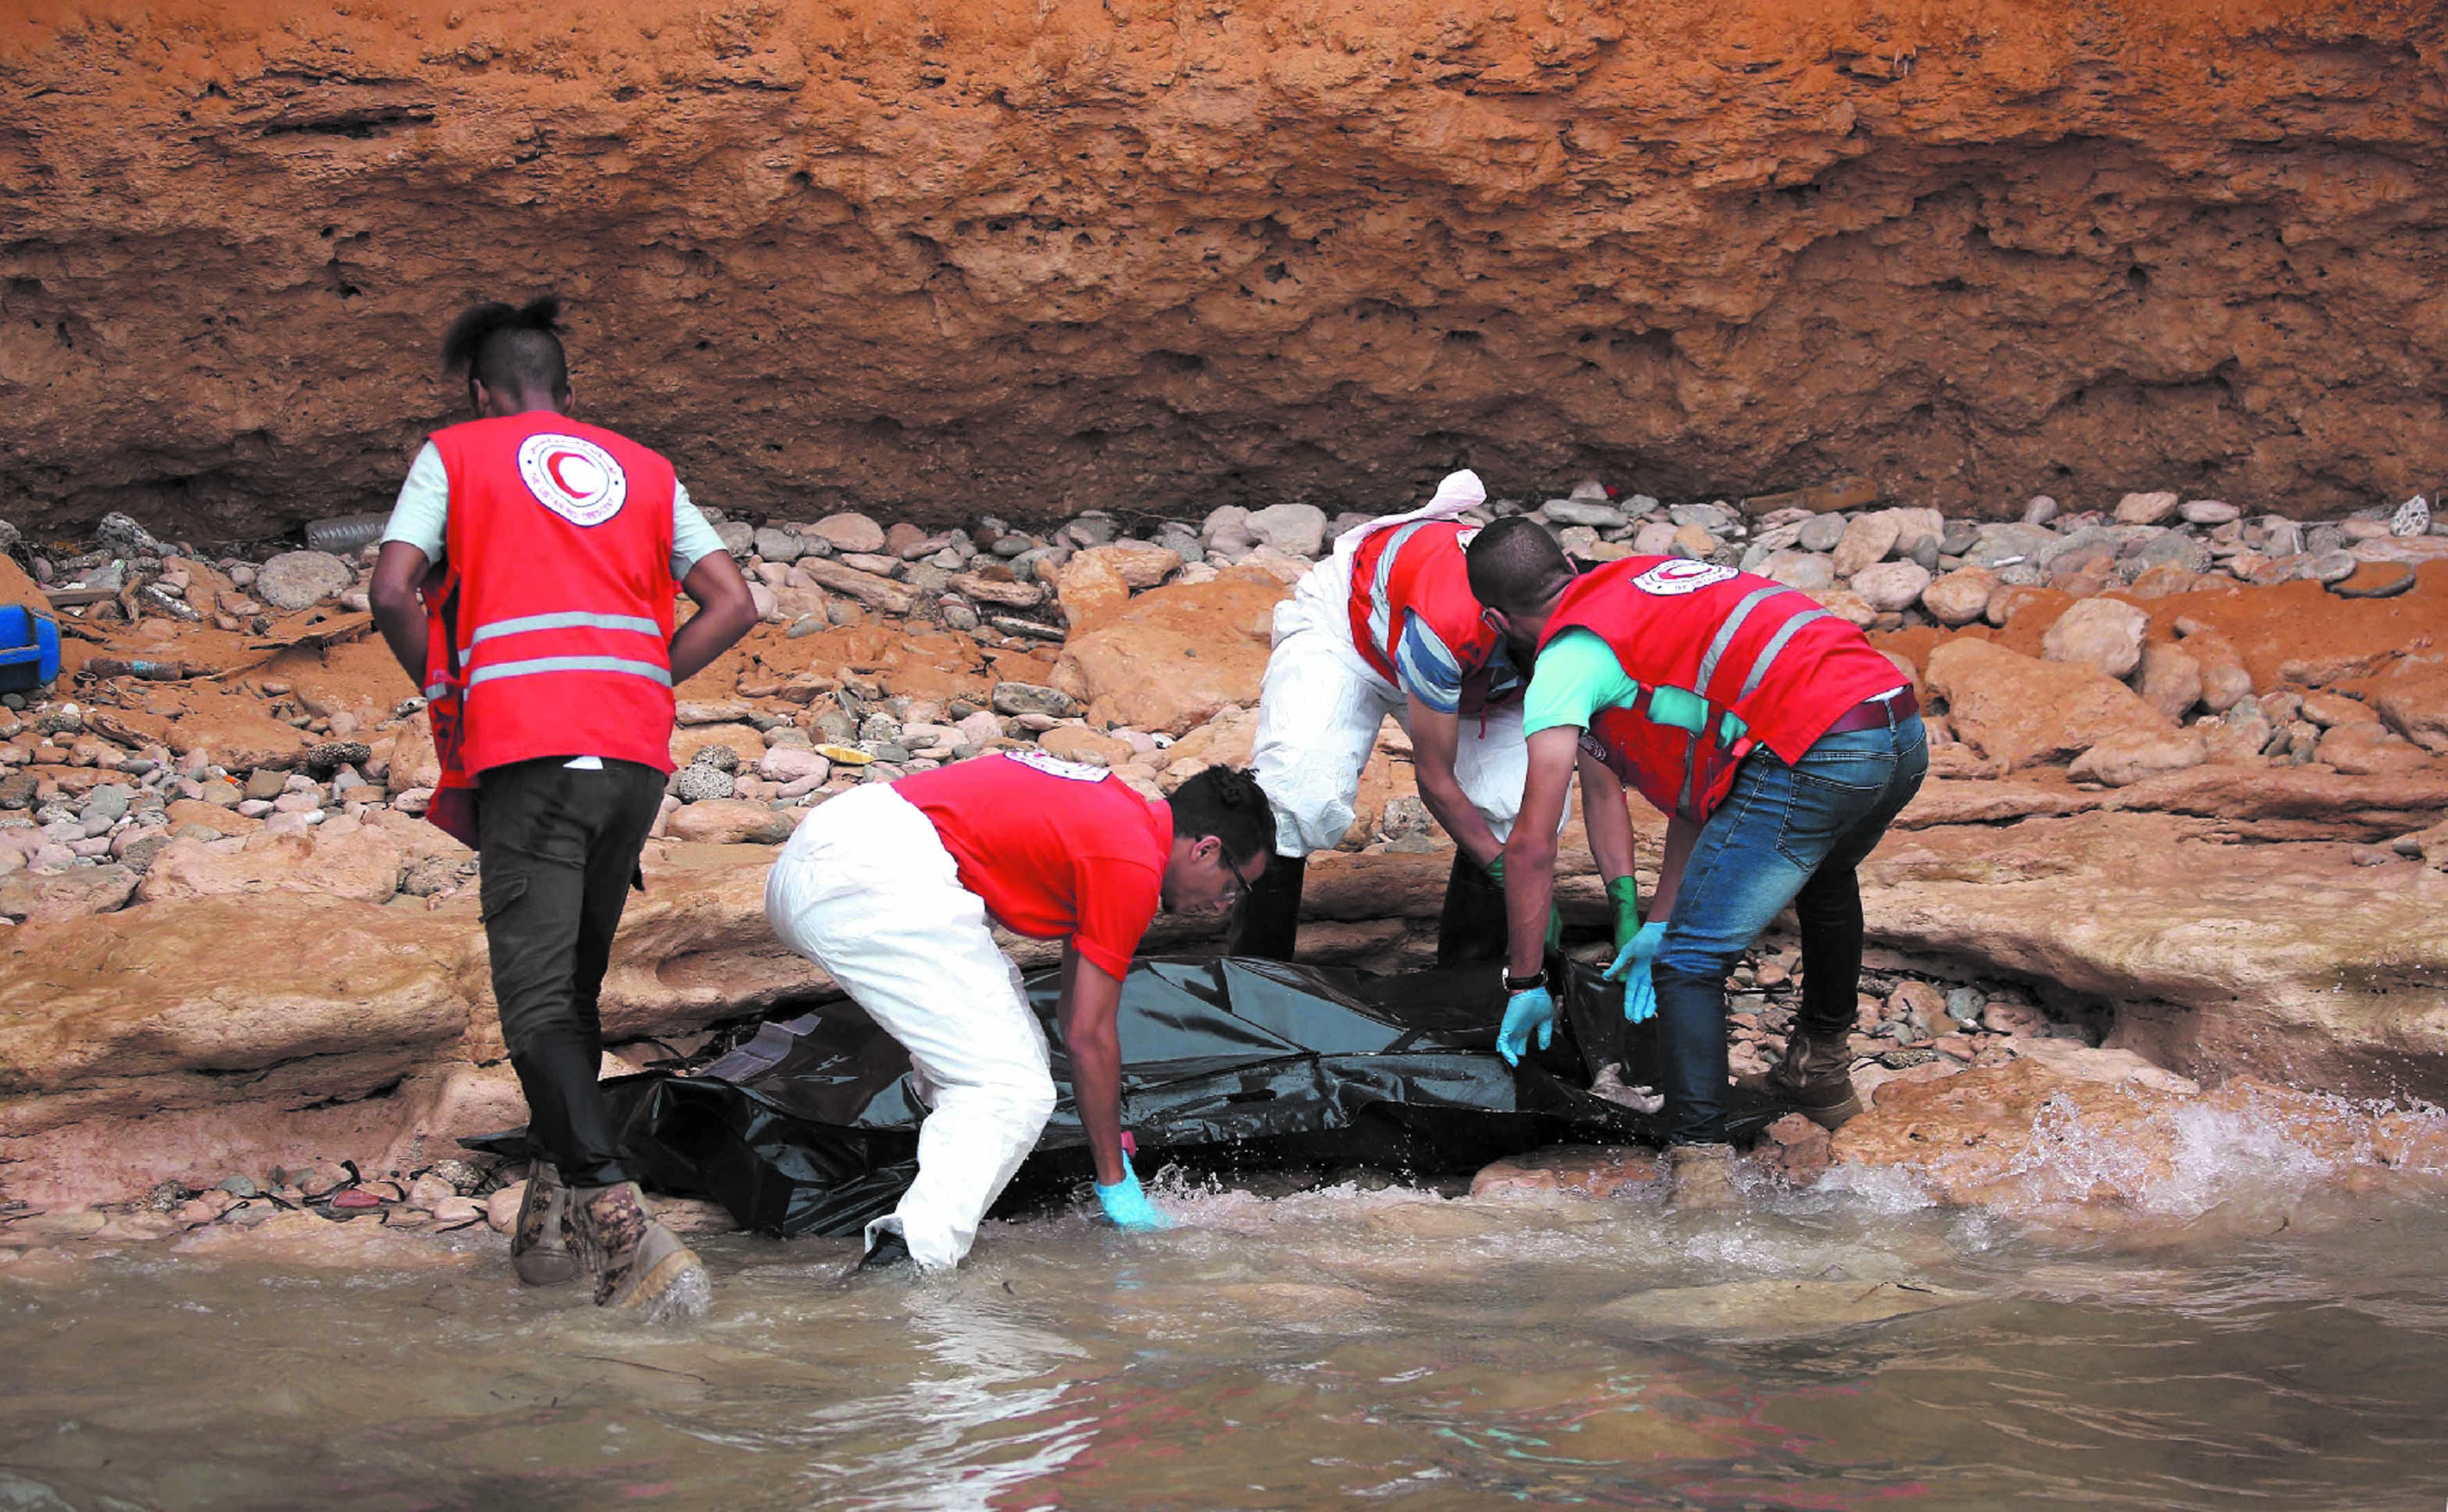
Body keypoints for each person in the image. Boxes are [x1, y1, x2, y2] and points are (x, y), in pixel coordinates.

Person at [368, 295, 760, 1322]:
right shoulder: (646, 469)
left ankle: (614, 1214)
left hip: (529, 752)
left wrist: (448, 692)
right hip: (630, 756)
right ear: (570, 396)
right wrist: (641, 683)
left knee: (536, 1001)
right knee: (573, 992)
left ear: (480, 393)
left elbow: (393, 590)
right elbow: (732, 601)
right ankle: (549, 1210)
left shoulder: (455, 454)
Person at [1463, 521, 1928, 1209]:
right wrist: (1658, 915)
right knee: (1825, 876)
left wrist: (1527, 978)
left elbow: (1533, 842)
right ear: (1567, 562)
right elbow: (1701, 788)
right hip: (1896, 724)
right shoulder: (1645, 585)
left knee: (1688, 964)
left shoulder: (1567, 660)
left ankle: (1703, 1183)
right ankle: (1819, 1070)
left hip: (1819, 749)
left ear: (1497, 620)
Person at [763, 754, 1275, 1271]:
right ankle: (909, 1264)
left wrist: (1108, 1128)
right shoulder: (1132, 863)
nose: (1222, 907)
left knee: (1012, 1057)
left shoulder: (1119, 819)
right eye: (1233, 887)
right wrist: (1116, 1184)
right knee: (1011, 1089)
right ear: (1206, 849)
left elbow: (1081, 1010)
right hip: (873, 874)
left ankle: (930, 1205)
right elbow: (1087, 1036)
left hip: (835, 848)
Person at [1239, 472, 1613, 964]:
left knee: (1513, 809)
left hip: (1481, 675)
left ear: (1569, 568)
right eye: (1542, 644)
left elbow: (1597, 765)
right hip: (1350, 635)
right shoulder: (1445, 629)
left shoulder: (1596, 604)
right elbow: (1434, 780)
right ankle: (1254, 986)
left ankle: (1467, 994)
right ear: (1500, 623)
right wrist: (1505, 871)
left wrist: (1613, 893)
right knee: (1297, 794)